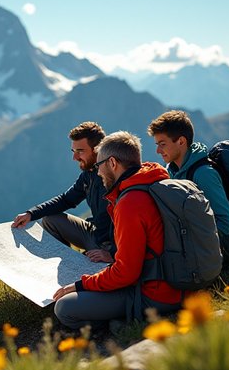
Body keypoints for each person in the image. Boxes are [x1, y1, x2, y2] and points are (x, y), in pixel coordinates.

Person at [53, 131, 182, 330]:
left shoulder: (129, 203)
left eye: (99, 166)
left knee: (64, 308)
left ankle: (120, 324)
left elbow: (125, 274)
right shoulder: (153, 181)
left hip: (154, 293)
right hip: (177, 282)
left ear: (112, 163)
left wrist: (79, 285)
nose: (97, 172)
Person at [11, 121, 115, 263]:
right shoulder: (88, 174)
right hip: (95, 233)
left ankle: (91, 264)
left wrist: (112, 253)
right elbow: (66, 200)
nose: (75, 158)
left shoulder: (113, 176)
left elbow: (132, 224)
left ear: (98, 149)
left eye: (80, 151)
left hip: (110, 245)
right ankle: (69, 263)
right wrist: (31, 213)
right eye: (74, 151)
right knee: (50, 219)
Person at [147, 110, 229, 261]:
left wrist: (190, 239)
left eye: (162, 144)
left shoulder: (203, 174)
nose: (158, 151)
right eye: (157, 145)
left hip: (219, 245)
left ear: (181, 141)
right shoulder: (170, 170)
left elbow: (227, 222)